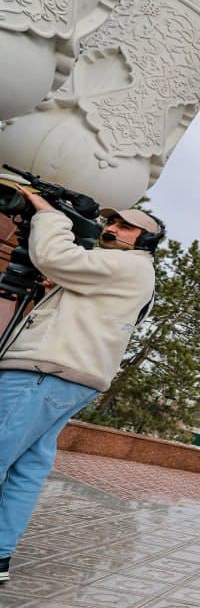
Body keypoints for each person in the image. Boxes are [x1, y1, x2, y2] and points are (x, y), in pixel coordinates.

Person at [0, 192, 162, 584]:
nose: (111, 228)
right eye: (111, 223)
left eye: (125, 226)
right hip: (70, 378)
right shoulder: (127, 271)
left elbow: (55, 257)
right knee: (27, 469)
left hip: (44, 372)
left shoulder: (130, 265)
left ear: (145, 240)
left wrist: (48, 213)